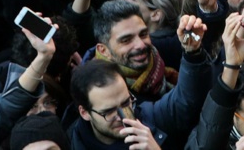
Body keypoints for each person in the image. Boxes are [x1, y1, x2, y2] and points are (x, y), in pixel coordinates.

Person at [68, 15, 208, 150]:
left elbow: (185, 101)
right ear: (85, 112)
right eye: (109, 112)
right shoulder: (67, 143)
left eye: (126, 103)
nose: (122, 116)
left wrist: (192, 52)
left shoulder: (148, 116)